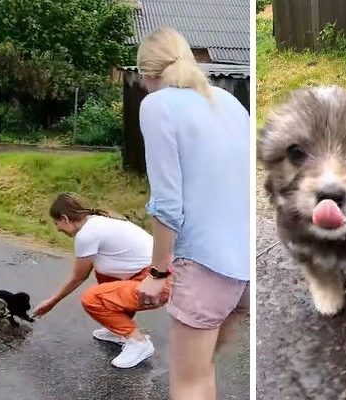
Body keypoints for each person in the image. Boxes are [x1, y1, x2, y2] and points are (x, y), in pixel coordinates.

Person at [133, 27, 251, 399]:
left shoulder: (156, 105)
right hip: (246, 267)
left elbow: (167, 203)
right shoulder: (227, 101)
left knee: (189, 382)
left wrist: (157, 272)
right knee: (203, 371)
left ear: (146, 74)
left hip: (206, 267)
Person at [32, 193, 170, 368]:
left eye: (57, 223)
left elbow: (78, 278)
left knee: (92, 298)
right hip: (158, 275)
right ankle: (120, 329)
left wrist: (52, 301)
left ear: (65, 218)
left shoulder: (87, 235)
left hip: (158, 283)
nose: (58, 229)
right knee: (104, 274)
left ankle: (138, 342)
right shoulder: (99, 221)